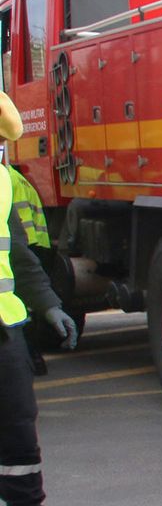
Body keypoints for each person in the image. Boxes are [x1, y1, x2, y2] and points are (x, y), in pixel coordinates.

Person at [0, 91, 91, 506]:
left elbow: (18, 254)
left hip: (5, 327)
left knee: (18, 434)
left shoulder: (2, 182)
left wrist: (51, 306)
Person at [4, 153, 54, 374]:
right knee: (26, 311)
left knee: (24, 311)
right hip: (32, 244)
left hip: (22, 248)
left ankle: (33, 357)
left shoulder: (7, 179)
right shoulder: (13, 177)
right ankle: (34, 358)